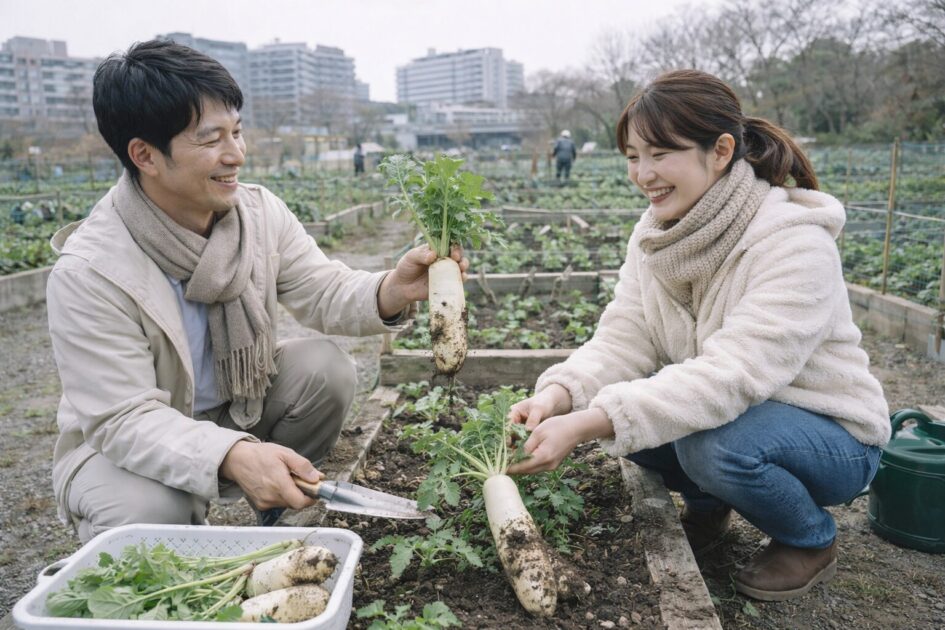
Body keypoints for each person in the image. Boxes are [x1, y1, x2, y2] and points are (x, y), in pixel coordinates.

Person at [45, 39, 467, 542]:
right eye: (211, 140)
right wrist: (232, 453)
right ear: (145, 155)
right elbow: (124, 419)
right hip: (122, 445)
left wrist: (392, 289)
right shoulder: (91, 270)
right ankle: (177, 540)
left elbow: (322, 289)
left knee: (325, 370)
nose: (236, 154)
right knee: (150, 513)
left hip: (232, 404)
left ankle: (272, 516)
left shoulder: (257, 214)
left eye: (237, 132)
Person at [506, 69, 890, 602]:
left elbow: (733, 375)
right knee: (648, 428)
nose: (644, 173)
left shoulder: (793, 244)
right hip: (737, 414)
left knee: (709, 443)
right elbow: (627, 335)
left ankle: (810, 539)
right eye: (633, 156)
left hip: (831, 435)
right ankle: (711, 507)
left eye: (661, 154)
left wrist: (592, 421)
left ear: (721, 150)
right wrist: (561, 393)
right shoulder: (656, 235)